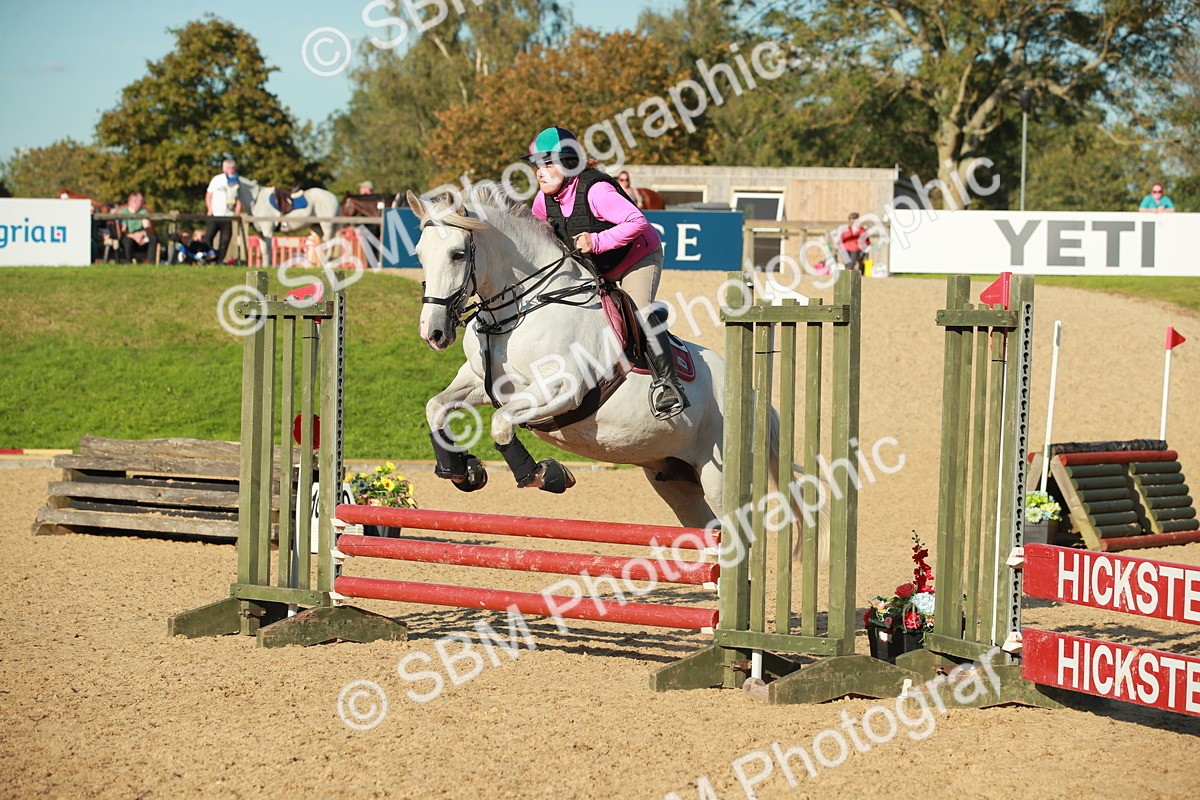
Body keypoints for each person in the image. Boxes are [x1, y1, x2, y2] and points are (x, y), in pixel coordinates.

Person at [522, 126, 687, 419]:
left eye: (548, 163)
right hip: (598, 267)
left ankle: (668, 385)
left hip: (637, 256)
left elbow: (637, 221)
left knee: (639, 311)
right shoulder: (542, 201)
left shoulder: (597, 190)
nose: (540, 172)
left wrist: (596, 241)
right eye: (537, 165)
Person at [205, 158, 244, 263]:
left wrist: (237, 211)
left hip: (228, 215)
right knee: (208, 237)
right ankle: (210, 256)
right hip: (215, 214)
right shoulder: (217, 179)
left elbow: (239, 196)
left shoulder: (237, 181)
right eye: (228, 168)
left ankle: (220, 260)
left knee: (225, 239)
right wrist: (209, 209)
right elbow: (209, 194)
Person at [117, 192, 159, 263]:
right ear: (134, 202)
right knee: (127, 241)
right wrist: (134, 236)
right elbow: (123, 230)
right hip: (130, 237)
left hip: (142, 238)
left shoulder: (143, 212)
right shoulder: (124, 212)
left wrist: (142, 235)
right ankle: (128, 262)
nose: (143, 203)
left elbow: (147, 227)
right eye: (141, 201)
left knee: (153, 238)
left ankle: (151, 263)